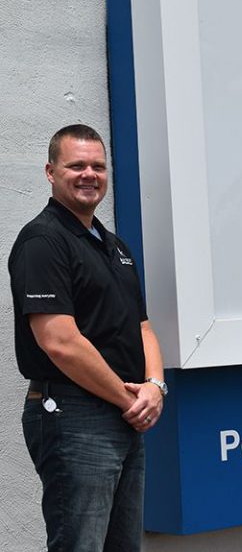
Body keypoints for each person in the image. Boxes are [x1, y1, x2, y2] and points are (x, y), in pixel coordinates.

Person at [8, 124, 167, 552]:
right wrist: (129, 400)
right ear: (50, 172)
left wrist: (155, 386)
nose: (89, 175)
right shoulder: (43, 241)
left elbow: (142, 327)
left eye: (98, 166)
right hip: (74, 415)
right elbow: (59, 341)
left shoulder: (114, 247)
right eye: (76, 165)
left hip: (122, 413)